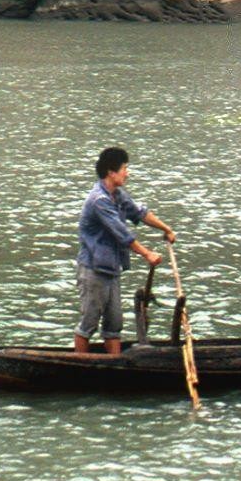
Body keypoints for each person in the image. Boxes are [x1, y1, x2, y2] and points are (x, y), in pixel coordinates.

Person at [75, 147, 175, 357]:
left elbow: (140, 213)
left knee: (114, 324)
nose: (127, 174)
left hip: (111, 268)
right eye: (124, 169)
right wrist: (147, 254)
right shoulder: (99, 200)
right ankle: (79, 365)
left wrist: (166, 229)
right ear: (111, 172)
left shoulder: (117, 195)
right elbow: (122, 234)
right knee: (88, 323)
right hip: (93, 269)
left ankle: (115, 364)